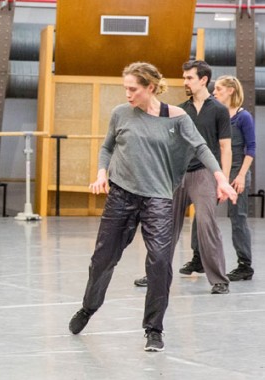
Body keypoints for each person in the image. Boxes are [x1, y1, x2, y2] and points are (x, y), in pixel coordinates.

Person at [68, 62, 237, 352]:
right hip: (121, 195)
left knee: (160, 262)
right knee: (102, 260)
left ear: (150, 87)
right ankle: (88, 307)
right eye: (125, 88)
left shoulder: (177, 117)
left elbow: (201, 148)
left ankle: (154, 329)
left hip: (157, 198)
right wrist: (101, 173)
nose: (128, 94)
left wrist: (221, 178)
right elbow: (107, 147)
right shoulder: (121, 113)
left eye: (133, 89)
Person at [134, 60, 233, 294]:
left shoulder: (219, 110)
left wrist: (224, 181)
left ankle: (219, 279)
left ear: (203, 80)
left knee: (207, 225)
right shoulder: (179, 110)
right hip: (177, 176)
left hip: (204, 175)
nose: (185, 81)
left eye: (189, 77)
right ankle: (155, 274)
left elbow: (225, 147)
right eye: (184, 77)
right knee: (165, 226)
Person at [210, 76, 255, 280]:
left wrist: (241, 176)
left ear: (231, 90)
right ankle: (197, 258)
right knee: (203, 214)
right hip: (218, 172)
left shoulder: (243, 117)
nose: (214, 92)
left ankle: (244, 265)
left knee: (238, 219)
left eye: (218, 88)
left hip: (237, 172)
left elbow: (251, 149)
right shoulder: (217, 116)